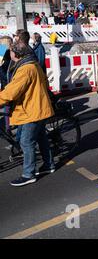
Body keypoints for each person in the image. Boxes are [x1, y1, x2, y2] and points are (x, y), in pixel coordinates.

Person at [0, 42, 55, 187]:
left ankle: (28, 174)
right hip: (39, 107)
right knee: (41, 137)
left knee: (26, 141)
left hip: (32, 110)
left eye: (10, 51)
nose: (9, 54)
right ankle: (49, 164)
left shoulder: (25, 69)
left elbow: (11, 92)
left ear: (16, 54)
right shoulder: (33, 63)